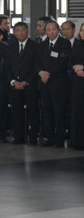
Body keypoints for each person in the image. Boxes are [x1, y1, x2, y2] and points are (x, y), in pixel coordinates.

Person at [35, 20, 71, 148]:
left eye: (53, 29)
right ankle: (49, 138)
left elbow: (63, 62)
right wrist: (40, 72)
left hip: (59, 83)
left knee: (59, 112)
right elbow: (37, 61)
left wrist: (48, 73)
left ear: (58, 30)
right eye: (48, 30)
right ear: (45, 31)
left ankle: (60, 139)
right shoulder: (42, 45)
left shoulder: (64, 43)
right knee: (46, 112)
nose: (51, 32)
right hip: (44, 84)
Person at [5, 22, 39, 145]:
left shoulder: (35, 46)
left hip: (30, 85)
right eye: (17, 30)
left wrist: (26, 81)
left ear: (27, 31)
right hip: (15, 86)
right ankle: (18, 137)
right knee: (16, 112)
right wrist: (13, 81)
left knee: (33, 112)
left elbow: (36, 67)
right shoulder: (10, 47)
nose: (20, 32)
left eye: (23, 30)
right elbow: (7, 67)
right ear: (14, 33)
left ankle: (33, 137)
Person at [69, 23, 84, 150]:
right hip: (78, 83)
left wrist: (83, 67)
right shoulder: (77, 45)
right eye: (82, 30)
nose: (83, 33)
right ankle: (77, 141)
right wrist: (76, 68)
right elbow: (70, 61)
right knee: (77, 111)